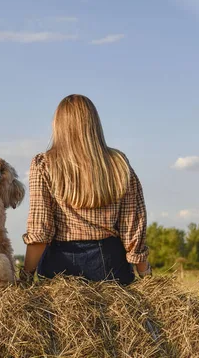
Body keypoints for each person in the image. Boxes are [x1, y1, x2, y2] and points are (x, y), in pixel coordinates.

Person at [21, 94, 152, 285]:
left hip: (60, 266)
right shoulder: (119, 163)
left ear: (58, 124)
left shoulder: (44, 164)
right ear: (94, 123)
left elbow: (40, 230)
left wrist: (25, 276)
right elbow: (133, 226)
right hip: (111, 265)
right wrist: (146, 275)